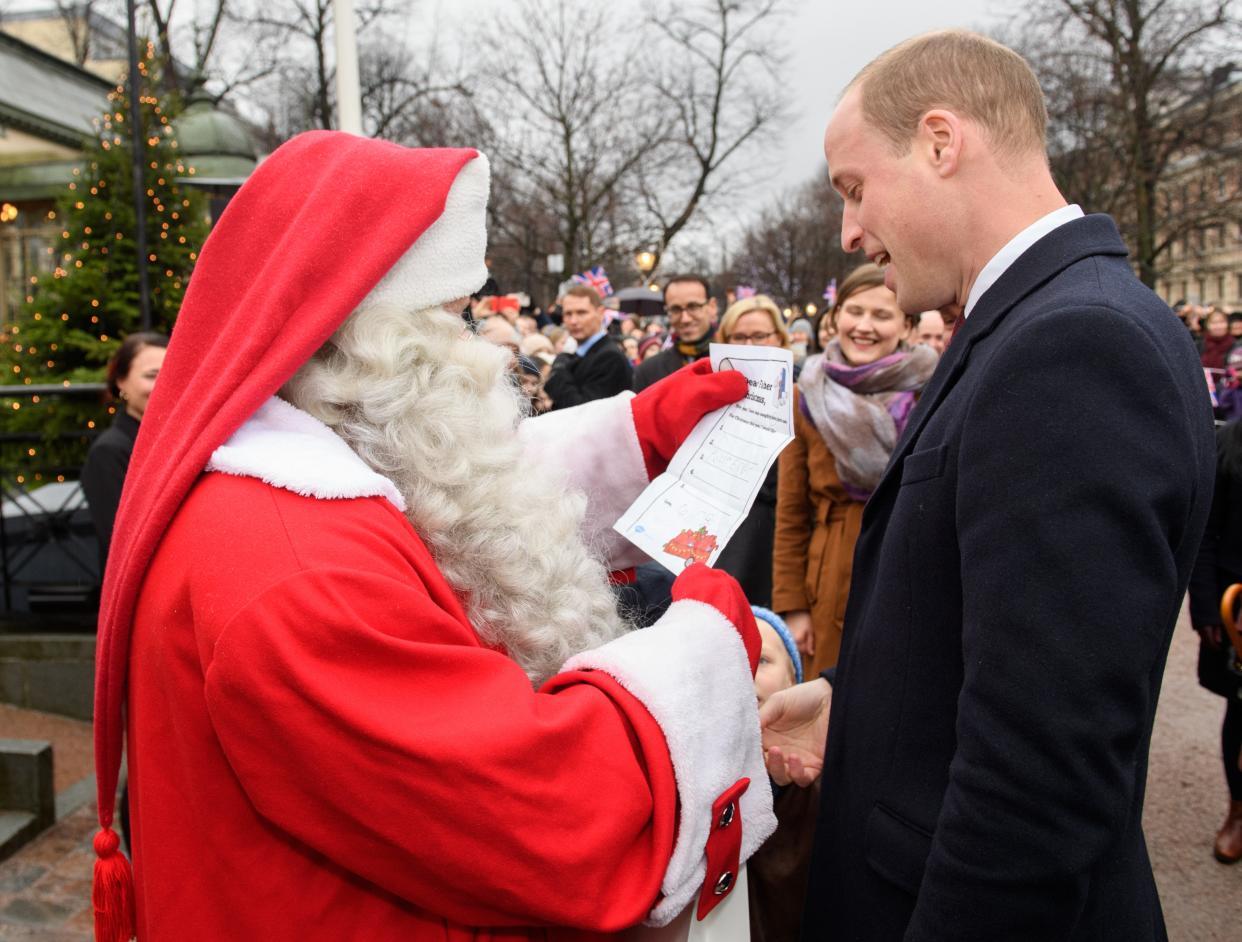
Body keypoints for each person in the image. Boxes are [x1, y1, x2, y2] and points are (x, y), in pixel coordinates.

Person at [90, 133, 777, 942]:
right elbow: (546, 817)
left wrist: (640, 438)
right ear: (374, 338)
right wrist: (699, 648)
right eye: (456, 318)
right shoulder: (295, 572)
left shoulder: (298, 468)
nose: (479, 347)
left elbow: (441, 490)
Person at [760, 30, 1214, 941]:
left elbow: (1041, 776)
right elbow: (986, 640)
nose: (849, 232)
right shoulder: (1039, 323)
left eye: (854, 189)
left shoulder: (1073, 346)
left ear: (939, 142)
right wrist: (847, 702)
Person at [772, 264, 936, 676]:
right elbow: (791, 512)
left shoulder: (931, 390)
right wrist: (793, 607)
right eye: (854, 311)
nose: (864, 326)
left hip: (910, 567)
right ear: (835, 316)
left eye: (882, 315)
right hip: (828, 582)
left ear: (907, 325)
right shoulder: (805, 395)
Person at [712, 295, 791, 608]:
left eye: (760, 336)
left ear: (779, 339)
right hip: (728, 530)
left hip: (778, 526)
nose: (749, 345)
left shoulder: (800, 390)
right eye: (739, 337)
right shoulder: (713, 391)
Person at [746, 607, 819, 942]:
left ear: (794, 680)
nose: (747, 669)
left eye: (762, 660)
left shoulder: (813, 784)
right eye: (737, 657)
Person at [1188, 417, 1242, 863]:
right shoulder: (1228, 442)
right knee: (1241, 712)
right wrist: (1206, 607)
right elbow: (1205, 530)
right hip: (1236, 604)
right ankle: (1238, 810)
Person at [81, 332, 169, 574]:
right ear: (121, 381)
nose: (163, 385)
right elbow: (122, 545)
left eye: (171, 375)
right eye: (152, 376)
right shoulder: (109, 451)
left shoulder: (167, 441)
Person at [543, 285, 633, 409]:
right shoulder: (582, 354)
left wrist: (557, 375)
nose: (573, 321)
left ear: (600, 313)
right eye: (568, 314)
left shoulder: (610, 358)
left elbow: (583, 412)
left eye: (581, 312)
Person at [633, 275, 717, 391]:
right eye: (675, 309)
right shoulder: (647, 371)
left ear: (712, 306)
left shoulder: (735, 362)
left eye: (693, 306)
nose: (685, 319)